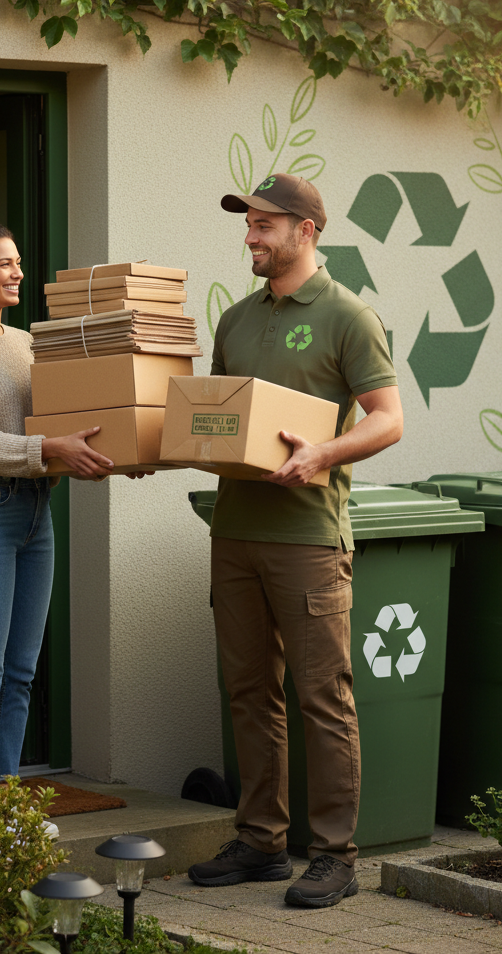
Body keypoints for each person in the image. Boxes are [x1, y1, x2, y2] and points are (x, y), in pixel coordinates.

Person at [187, 174, 403, 908]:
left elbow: (387, 418)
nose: (250, 236)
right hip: (235, 531)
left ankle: (337, 856)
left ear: (306, 230)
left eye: (264, 225)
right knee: (248, 692)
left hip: (308, 539)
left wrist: (321, 454)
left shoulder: (348, 316)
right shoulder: (236, 319)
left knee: (322, 697)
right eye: (248, 224)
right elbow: (217, 418)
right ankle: (261, 842)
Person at [0, 219, 114, 788]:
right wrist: (51, 448)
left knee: (20, 671)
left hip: (36, 511)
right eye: (5, 264)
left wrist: (107, 452)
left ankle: (5, 800)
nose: (18, 273)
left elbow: (58, 423)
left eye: (17, 262)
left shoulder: (27, 344)